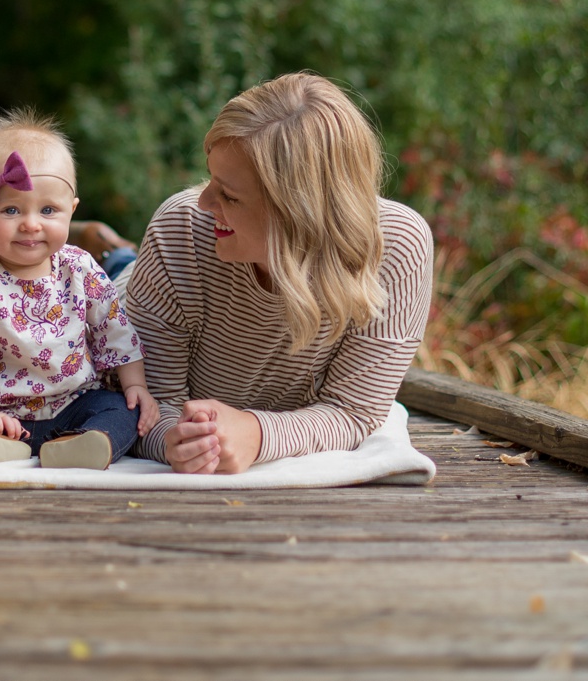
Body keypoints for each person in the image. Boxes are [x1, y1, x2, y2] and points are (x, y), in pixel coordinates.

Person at [126, 72, 434, 474]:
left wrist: (257, 434)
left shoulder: (397, 248)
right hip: (111, 301)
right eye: (211, 180)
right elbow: (147, 405)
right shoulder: (180, 230)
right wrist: (173, 441)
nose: (204, 201)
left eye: (229, 196)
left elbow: (355, 412)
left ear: (299, 214)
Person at [0, 110, 159, 470]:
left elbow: (114, 328)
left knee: (121, 409)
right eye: (11, 209)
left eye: (48, 210)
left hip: (72, 402)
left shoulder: (79, 267)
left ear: (71, 211)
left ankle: (86, 445)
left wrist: (135, 384)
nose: (31, 224)